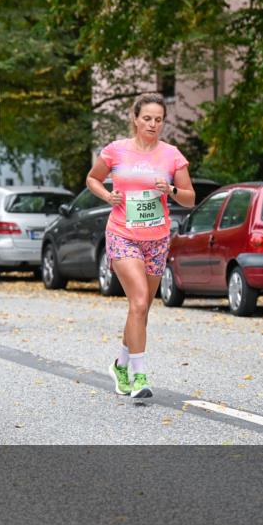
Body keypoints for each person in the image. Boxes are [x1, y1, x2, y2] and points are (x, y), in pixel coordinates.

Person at [85, 92, 195, 399]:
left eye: (158, 119)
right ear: (135, 119)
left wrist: (171, 188)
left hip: (157, 239)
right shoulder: (116, 151)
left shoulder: (172, 155)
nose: (153, 124)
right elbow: (92, 179)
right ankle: (139, 376)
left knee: (142, 308)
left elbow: (189, 197)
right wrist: (107, 196)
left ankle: (120, 364)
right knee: (139, 301)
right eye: (147, 118)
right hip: (122, 234)